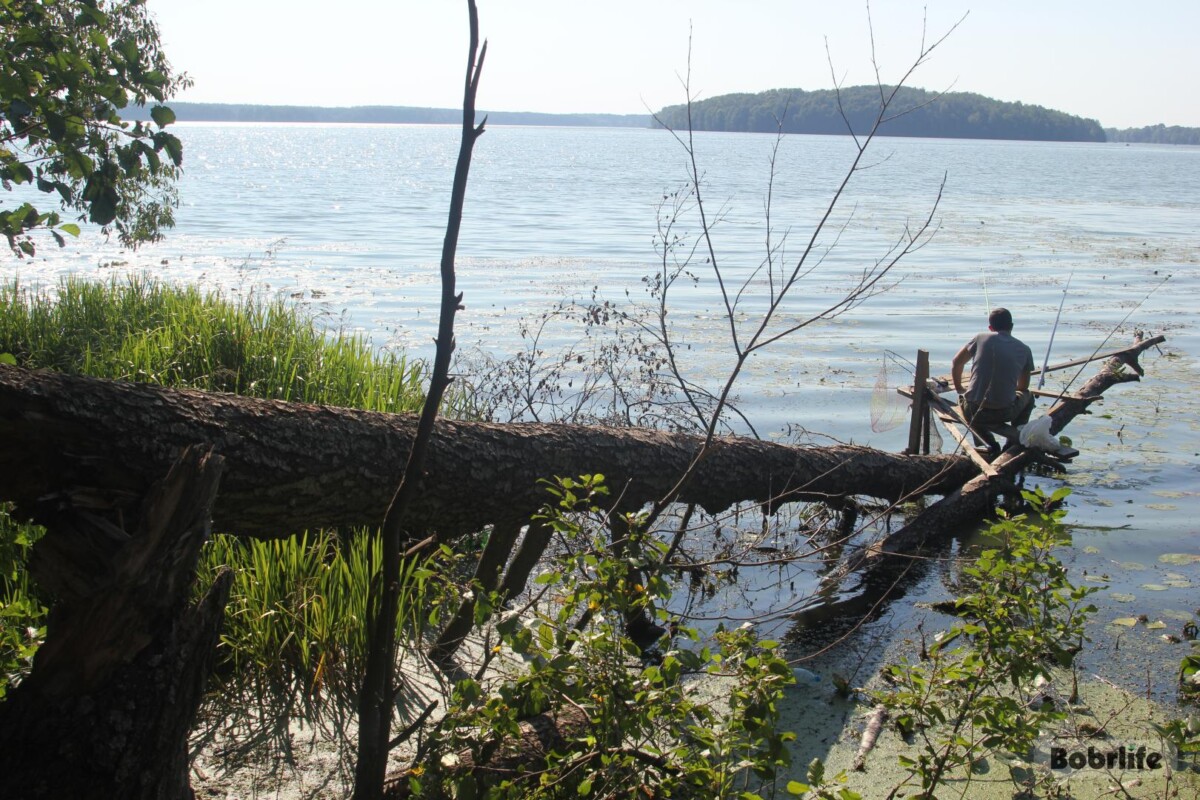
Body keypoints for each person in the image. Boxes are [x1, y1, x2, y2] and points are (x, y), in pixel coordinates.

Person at [951, 307, 1035, 454]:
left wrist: (959, 388)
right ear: (1012, 326)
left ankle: (988, 443)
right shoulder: (1025, 349)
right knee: (1029, 397)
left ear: (990, 327)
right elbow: (1023, 387)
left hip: (974, 410)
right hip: (1004, 412)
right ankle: (1013, 441)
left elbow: (957, 362)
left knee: (966, 402)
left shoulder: (980, 338)